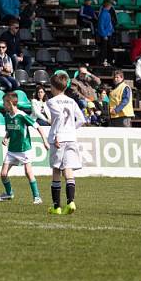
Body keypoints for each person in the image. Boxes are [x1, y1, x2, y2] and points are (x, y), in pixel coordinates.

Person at [0, 92, 48, 204]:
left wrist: (45, 141)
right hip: (12, 150)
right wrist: (6, 138)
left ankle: (37, 197)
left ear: (10, 103)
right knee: (3, 174)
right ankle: (9, 193)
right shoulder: (7, 116)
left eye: (4, 102)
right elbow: (9, 130)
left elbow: (38, 127)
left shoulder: (22, 116)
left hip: (24, 149)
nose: (3, 105)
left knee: (28, 172)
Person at [45, 72, 86, 215]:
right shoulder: (71, 101)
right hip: (71, 138)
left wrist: (57, 135)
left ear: (53, 87)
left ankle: (56, 207)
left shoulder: (51, 101)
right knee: (68, 170)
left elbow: (59, 117)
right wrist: (70, 130)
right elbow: (81, 119)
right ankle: (71, 202)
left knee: (56, 170)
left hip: (59, 140)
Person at [97, 0, 115, 66]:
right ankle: (102, 61)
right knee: (104, 49)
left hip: (108, 34)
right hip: (105, 35)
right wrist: (104, 35)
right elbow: (101, 25)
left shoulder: (106, 13)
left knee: (108, 49)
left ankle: (108, 61)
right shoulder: (104, 14)